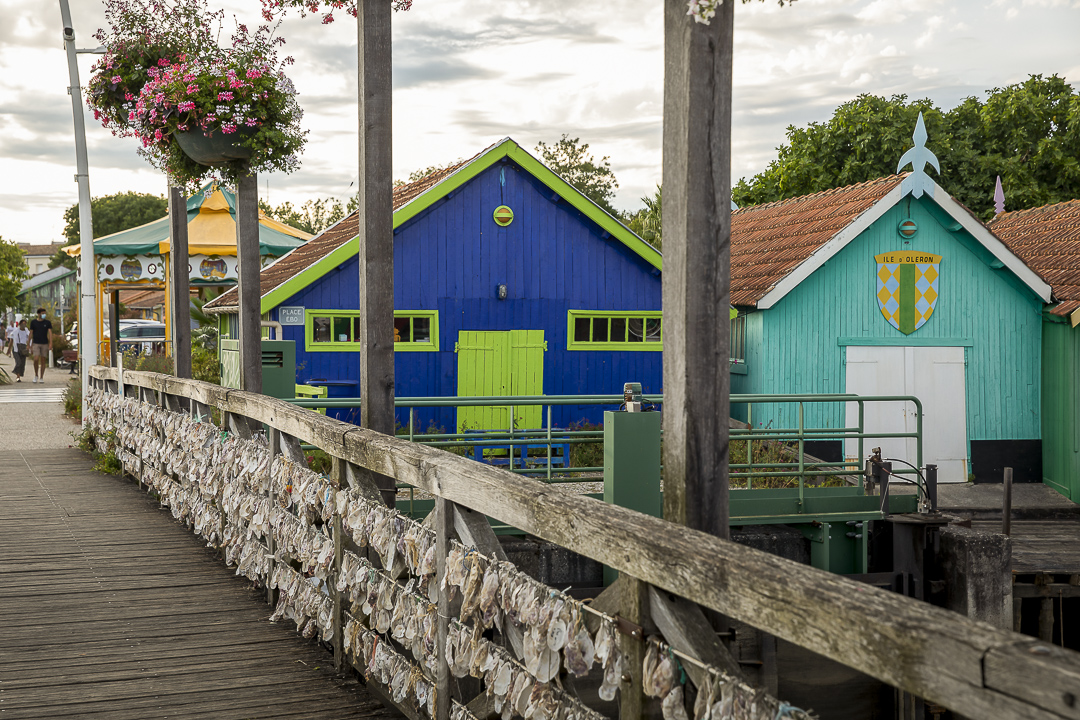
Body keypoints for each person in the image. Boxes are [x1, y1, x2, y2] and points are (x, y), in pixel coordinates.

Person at [28, 307, 53, 384]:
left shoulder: (47, 323)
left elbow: (50, 333)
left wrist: (51, 343)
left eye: (44, 314)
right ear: (38, 314)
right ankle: (36, 375)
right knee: (35, 359)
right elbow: (31, 333)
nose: (44, 315)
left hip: (44, 343)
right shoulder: (33, 322)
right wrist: (28, 344)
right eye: (42, 313)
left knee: (43, 360)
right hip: (36, 343)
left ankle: (41, 377)